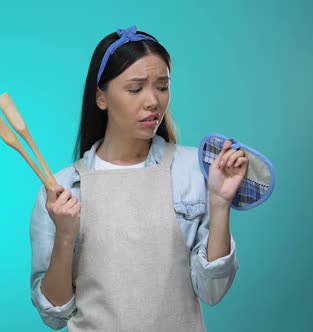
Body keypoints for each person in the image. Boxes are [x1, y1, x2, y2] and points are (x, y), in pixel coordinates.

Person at [29, 25, 248, 331]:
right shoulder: (62, 191)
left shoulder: (195, 171)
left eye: (162, 86)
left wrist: (220, 203)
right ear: (101, 97)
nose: (153, 101)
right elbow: (53, 315)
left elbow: (212, 292)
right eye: (136, 88)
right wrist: (65, 236)